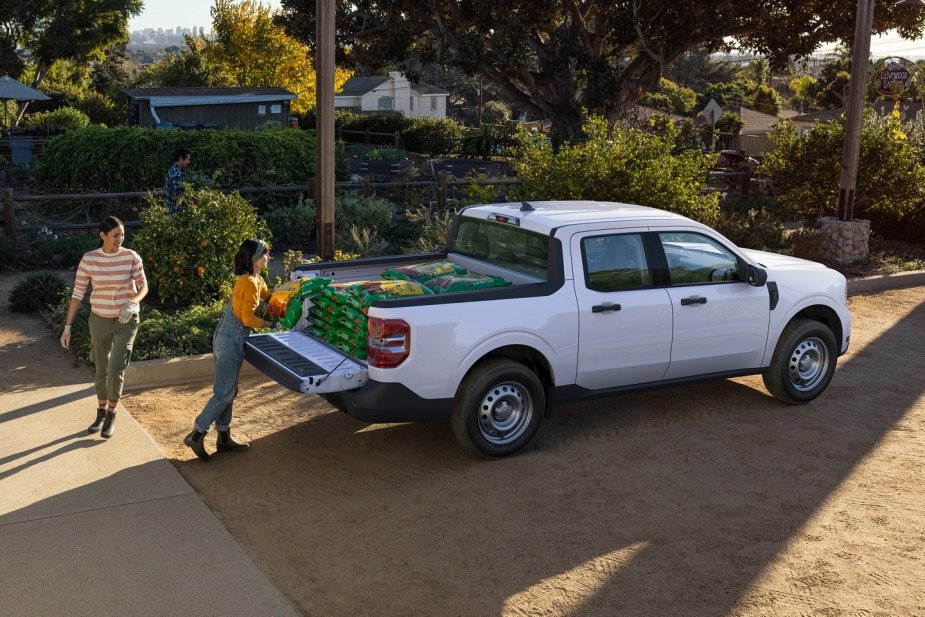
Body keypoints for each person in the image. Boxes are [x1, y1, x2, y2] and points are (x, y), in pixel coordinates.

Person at [183, 238, 276, 461]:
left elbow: (269, 297)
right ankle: (197, 433)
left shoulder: (257, 279)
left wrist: (288, 295)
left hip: (228, 337)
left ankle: (223, 437)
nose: (268, 257)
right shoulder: (248, 283)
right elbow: (248, 318)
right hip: (230, 340)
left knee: (228, 390)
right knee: (224, 392)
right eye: (265, 254)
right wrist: (273, 325)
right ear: (255, 259)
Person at [60, 216, 148, 439]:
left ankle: (111, 415)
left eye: (123, 235)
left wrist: (133, 302)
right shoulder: (89, 259)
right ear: (103, 236)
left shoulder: (131, 257)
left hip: (126, 321)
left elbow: (143, 287)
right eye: (116, 235)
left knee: (114, 368)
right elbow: (78, 293)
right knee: (100, 368)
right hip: (98, 319)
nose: (120, 239)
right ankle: (100, 412)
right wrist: (67, 326)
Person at [164, 147, 191, 214]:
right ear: (181, 158)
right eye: (187, 160)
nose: (188, 162)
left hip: (174, 212)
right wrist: (190, 197)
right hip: (176, 214)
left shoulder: (173, 169)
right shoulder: (177, 174)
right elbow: (174, 197)